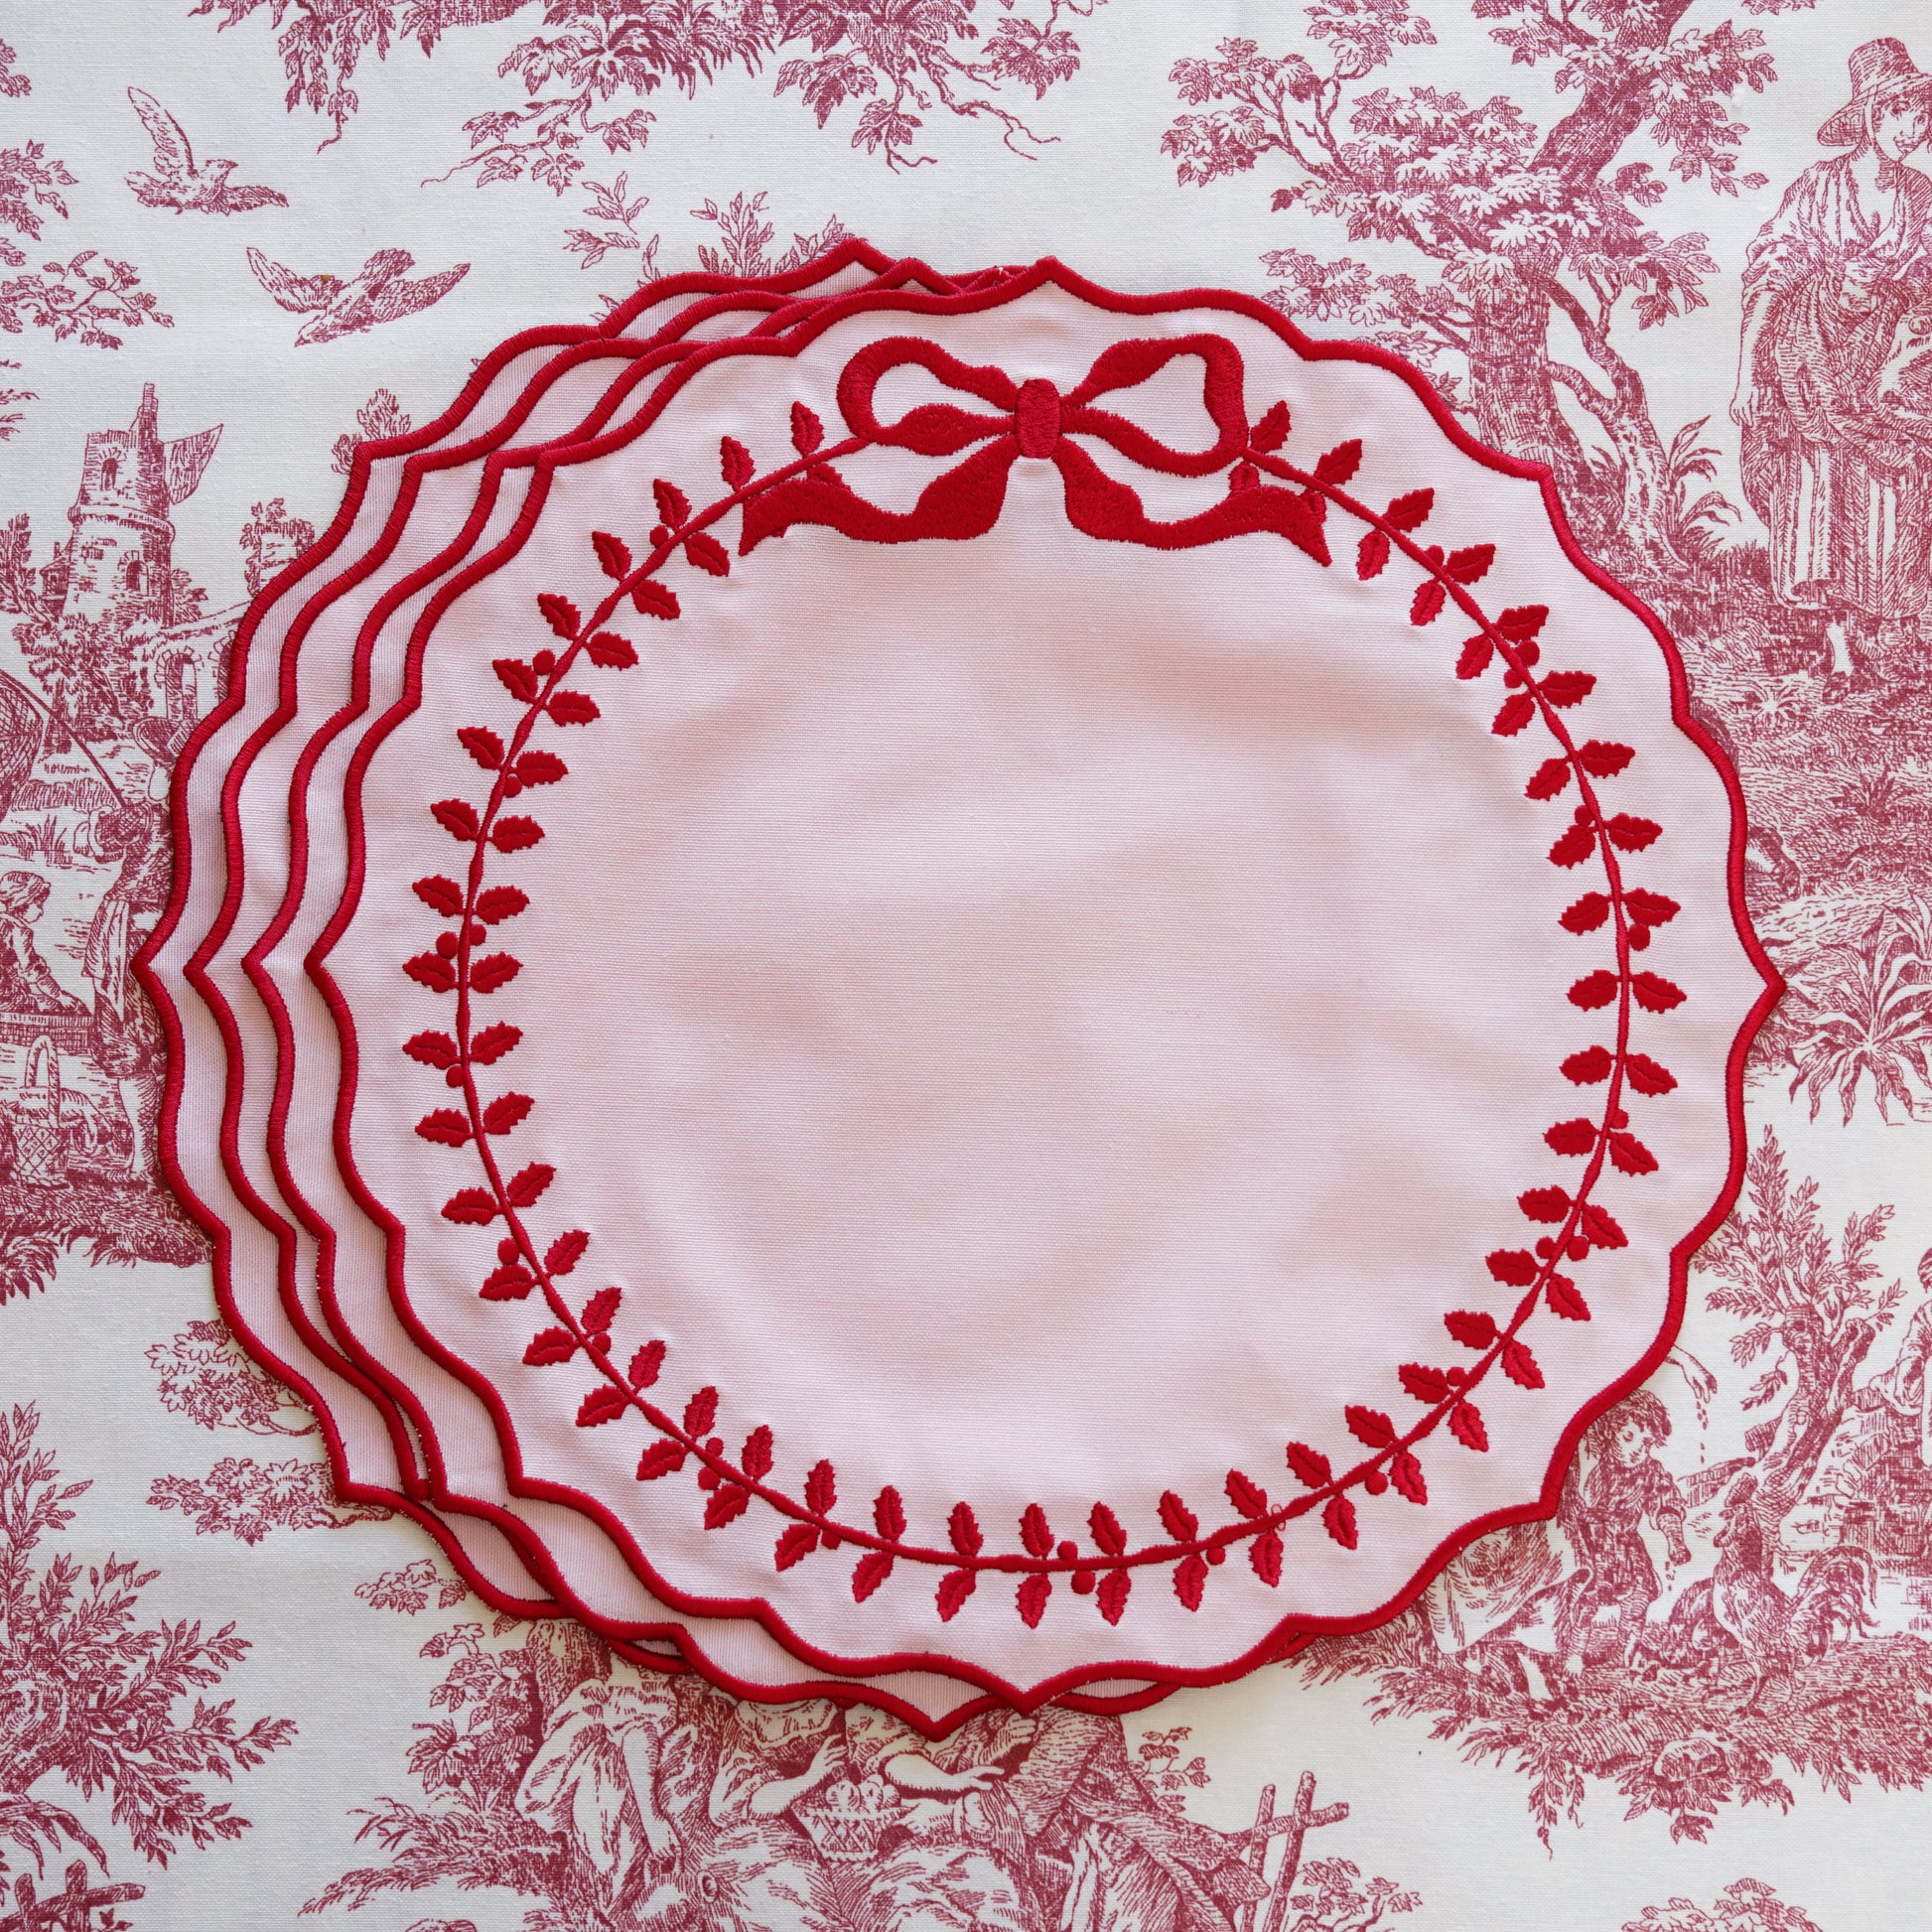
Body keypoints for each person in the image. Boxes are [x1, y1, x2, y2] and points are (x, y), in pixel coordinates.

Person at [1734, 37, 1932, 686]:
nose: (1914, 127)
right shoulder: (1818, 187)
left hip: (1885, 366)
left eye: (1922, 114)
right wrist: (1746, 375)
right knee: (1818, 494)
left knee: (1888, 495)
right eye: (1901, 111)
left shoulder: (1920, 195)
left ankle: (1887, 635)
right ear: (1870, 113)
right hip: (1810, 363)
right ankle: (1839, 649)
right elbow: (1769, 278)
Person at [1551, 1391, 1691, 1671]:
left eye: (1647, 1442)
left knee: (1638, 1598)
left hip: (1626, 1547)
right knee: (1583, 1602)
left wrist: (1675, 1540)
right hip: (1588, 1544)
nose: (1638, 1449)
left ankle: (1624, 1653)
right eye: (1629, 1437)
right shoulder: (1591, 1463)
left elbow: (1665, 1504)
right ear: (1610, 1432)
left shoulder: (1650, 1471)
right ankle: (1573, 1655)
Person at [0, 872, 86, 1016]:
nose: (41, 912)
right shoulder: (19, 931)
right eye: (38, 904)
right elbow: (32, 969)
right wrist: (59, 995)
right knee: (61, 1008)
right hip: (4, 995)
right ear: (23, 902)